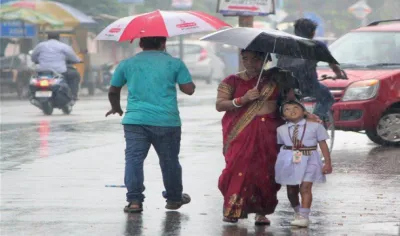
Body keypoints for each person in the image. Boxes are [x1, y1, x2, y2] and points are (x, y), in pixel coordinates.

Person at [216, 49, 319, 225]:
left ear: (265, 60)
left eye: (255, 59)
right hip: (241, 132)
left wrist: (305, 115)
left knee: (266, 171)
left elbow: (290, 102)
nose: (250, 63)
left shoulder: (277, 79)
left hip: (271, 132)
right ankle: (232, 209)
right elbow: (220, 105)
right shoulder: (231, 81)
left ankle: (261, 212)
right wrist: (243, 99)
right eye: (246, 59)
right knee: (237, 168)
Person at [105, 36, 196, 213]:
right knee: (169, 160)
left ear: (140, 44)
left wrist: (117, 108)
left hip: (135, 121)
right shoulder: (174, 63)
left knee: (134, 160)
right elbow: (189, 90)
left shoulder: (127, 64)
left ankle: (134, 202)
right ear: (163, 43)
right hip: (167, 121)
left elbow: (113, 91)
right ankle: (174, 198)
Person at [275, 100, 332, 227]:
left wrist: (327, 163)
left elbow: (323, 144)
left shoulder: (315, 126)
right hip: (289, 159)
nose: (292, 110)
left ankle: (304, 216)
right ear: (283, 116)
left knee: (305, 187)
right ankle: (298, 211)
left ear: (304, 111)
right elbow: (281, 145)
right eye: (287, 109)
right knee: (291, 191)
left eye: (296, 107)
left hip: (310, 157)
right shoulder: (281, 129)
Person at [277, 18, 344, 121]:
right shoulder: (317, 46)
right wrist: (338, 74)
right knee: (327, 98)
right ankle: (316, 119)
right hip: (308, 86)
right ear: (313, 33)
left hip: (284, 86)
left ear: (295, 31)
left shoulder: (284, 44)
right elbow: (333, 64)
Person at [31, 32, 81, 100]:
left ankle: (32, 94)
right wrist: (78, 60)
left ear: (47, 37)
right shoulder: (63, 46)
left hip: (42, 71)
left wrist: (37, 60)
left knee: (33, 78)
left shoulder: (40, 45)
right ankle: (73, 95)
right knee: (75, 75)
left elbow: (33, 57)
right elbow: (73, 57)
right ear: (58, 38)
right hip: (59, 71)